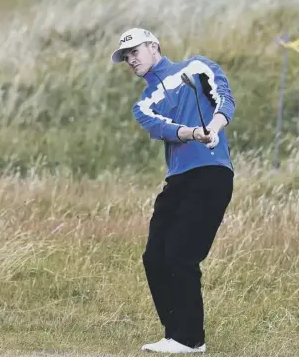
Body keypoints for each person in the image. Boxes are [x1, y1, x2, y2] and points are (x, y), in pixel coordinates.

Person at [111, 28, 235, 354]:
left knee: (181, 255)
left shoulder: (196, 67)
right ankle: (174, 334)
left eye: (135, 51)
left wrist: (215, 128)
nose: (131, 59)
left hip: (211, 173)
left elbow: (224, 96)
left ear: (154, 46)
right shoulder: (143, 104)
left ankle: (191, 339)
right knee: (154, 257)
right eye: (126, 56)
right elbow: (161, 127)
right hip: (178, 180)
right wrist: (194, 132)